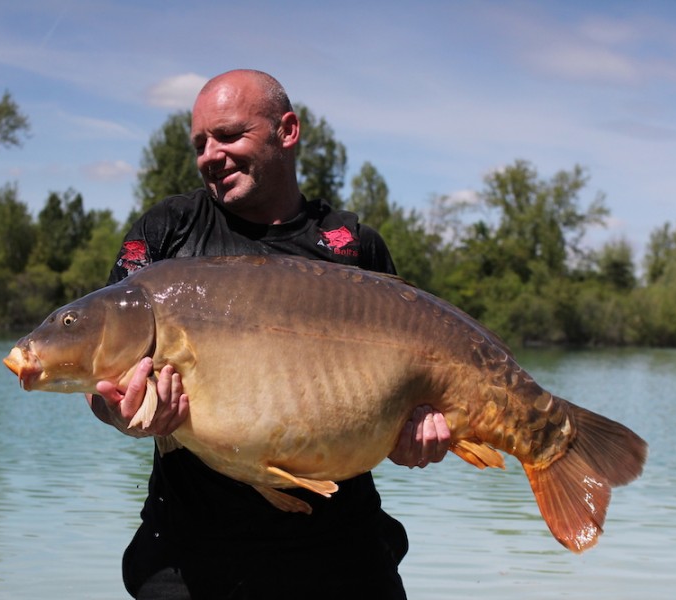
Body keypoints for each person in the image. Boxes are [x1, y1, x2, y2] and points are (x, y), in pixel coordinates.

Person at [88, 69, 451, 600]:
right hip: (190, 558)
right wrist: (125, 415)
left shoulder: (351, 247)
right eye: (200, 143)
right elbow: (102, 388)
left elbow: (394, 410)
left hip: (341, 553)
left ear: (287, 131)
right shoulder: (167, 234)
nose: (211, 154)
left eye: (230, 135)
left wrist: (415, 440)